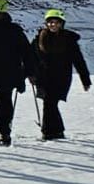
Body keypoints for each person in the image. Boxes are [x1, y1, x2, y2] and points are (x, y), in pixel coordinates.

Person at [0, 0, 37, 146]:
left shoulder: (13, 31)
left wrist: (30, 72)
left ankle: (5, 134)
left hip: (6, 74)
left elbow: (27, 53)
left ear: (3, 14)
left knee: (3, 105)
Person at [29, 9, 90, 141]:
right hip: (43, 77)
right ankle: (56, 132)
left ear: (61, 24)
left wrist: (85, 79)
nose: (53, 25)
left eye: (56, 22)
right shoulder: (38, 39)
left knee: (50, 103)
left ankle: (48, 132)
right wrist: (27, 74)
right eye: (50, 22)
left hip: (61, 78)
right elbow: (31, 58)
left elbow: (78, 60)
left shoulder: (69, 41)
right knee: (50, 103)